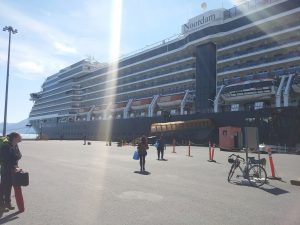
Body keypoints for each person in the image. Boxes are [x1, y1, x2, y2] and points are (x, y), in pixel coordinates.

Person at [1, 132, 22, 211]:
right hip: (6, 169)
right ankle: (3, 205)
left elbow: (19, 155)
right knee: (5, 187)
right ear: (15, 137)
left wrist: (15, 158)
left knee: (9, 187)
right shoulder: (6, 146)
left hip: (13, 169)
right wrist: (15, 159)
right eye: (20, 136)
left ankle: (7, 204)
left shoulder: (15, 145)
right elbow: (6, 159)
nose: (21, 138)